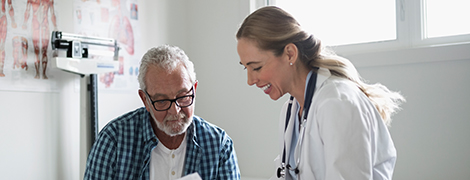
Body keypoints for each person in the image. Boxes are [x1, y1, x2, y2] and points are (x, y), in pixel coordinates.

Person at [236, 6, 405, 180]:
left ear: (290, 54)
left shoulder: (337, 102)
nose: (250, 80)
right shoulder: (291, 110)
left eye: (256, 67)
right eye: (246, 68)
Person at [84, 45, 240, 180]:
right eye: (162, 101)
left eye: (183, 96)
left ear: (194, 89)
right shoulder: (114, 140)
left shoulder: (218, 144)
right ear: (145, 100)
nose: (175, 110)